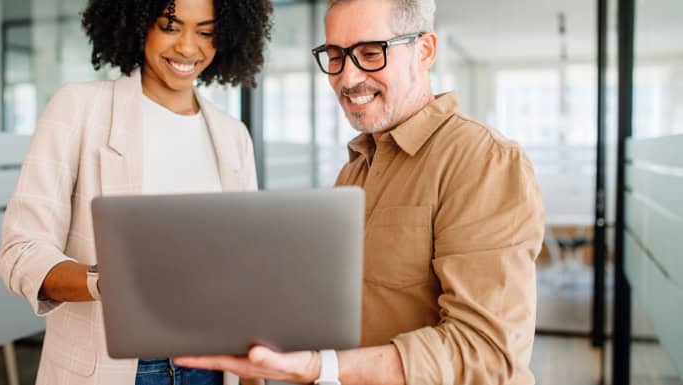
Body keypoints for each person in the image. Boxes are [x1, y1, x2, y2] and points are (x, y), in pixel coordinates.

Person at [174, 0, 545, 384]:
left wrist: (322, 368)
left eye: (371, 53)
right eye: (335, 56)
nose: (347, 79)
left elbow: (486, 352)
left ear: (425, 51)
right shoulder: (355, 169)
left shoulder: (483, 161)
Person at [0, 0, 272, 384]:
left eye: (206, 32)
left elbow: (243, 270)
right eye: (170, 26)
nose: (189, 48)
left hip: (211, 365)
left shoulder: (232, 135)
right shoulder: (79, 108)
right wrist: (105, 280)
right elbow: (21, 253)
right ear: (138, 25)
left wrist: (252, 375)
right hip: (116, 368)